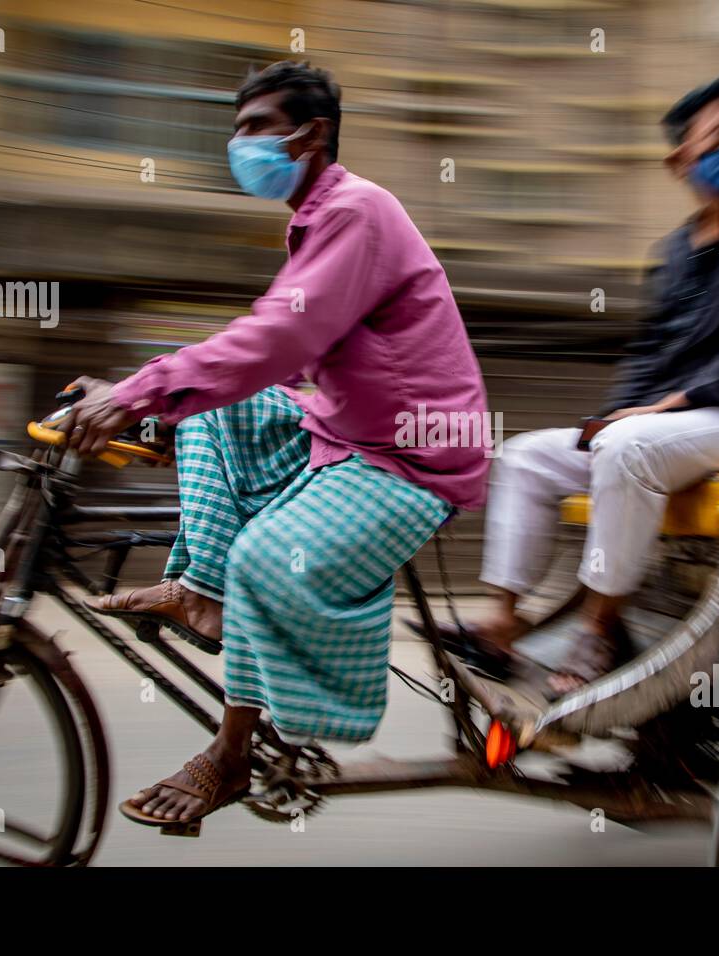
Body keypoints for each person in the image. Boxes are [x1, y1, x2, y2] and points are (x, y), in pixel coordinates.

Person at [62, 61, 490, 827]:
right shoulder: (316, 221)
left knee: (264, 556)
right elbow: (278, 356)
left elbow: (278, 336)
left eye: (257, 126)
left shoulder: (356, 212)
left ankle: (229, 758)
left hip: (412, 459)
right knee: (209, 413)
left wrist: (134, 393)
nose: (241, 144)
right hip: (347, 429)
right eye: (238, 129)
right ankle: (198, 588)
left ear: (312, 133)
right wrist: (155, 404)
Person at [453, 66, 719, 697]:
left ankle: (597, 631)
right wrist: (617, 413)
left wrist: (662, 408)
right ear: (682, 160)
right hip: (669, 425)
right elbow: (650, 352)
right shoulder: (675, 251)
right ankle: (502, 623)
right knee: (524, 457)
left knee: (628, 448)